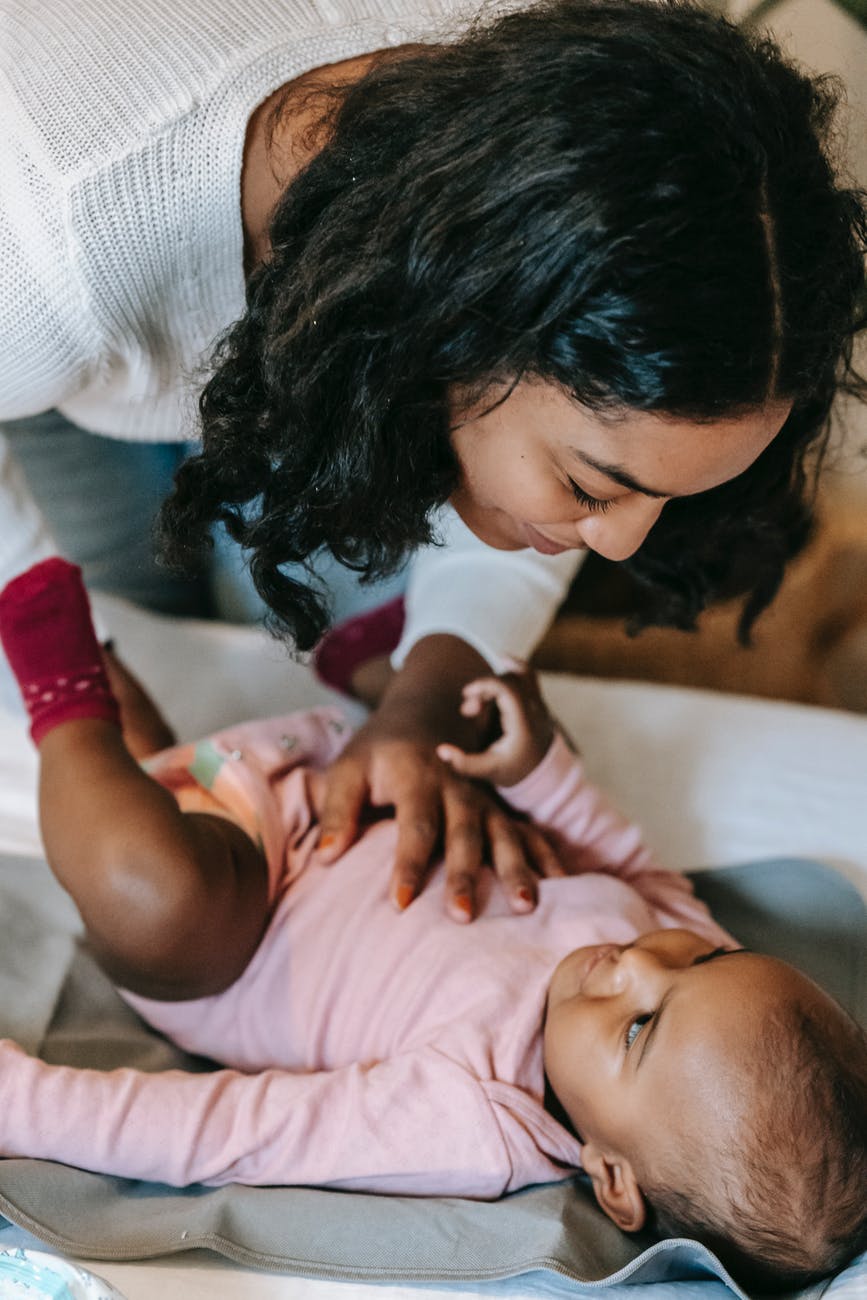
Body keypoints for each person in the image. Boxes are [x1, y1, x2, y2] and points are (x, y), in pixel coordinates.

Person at [1, 0, 865, 923]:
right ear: (454, 322)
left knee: (368, 630)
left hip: (287, 331)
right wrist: (68, 676)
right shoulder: (46, 254)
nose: (617, 548)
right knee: (137, 615)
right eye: (590, 486)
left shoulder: (582, 141)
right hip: (44, 383)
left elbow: (542, 454)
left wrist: (443, 667)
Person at [0, 557, 865, 1292]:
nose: (632, 962)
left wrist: (26, 1106)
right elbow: (636, 867)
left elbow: (236, 1133)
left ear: (610, 1176)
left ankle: (65, 683)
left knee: (149, 883)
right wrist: (539, 773)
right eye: (706, 958)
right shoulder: (663, 938)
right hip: (341, 779)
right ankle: (379, 670)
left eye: (638, 1028)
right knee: (497, 699)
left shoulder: (473, 1118)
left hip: (229, 917)